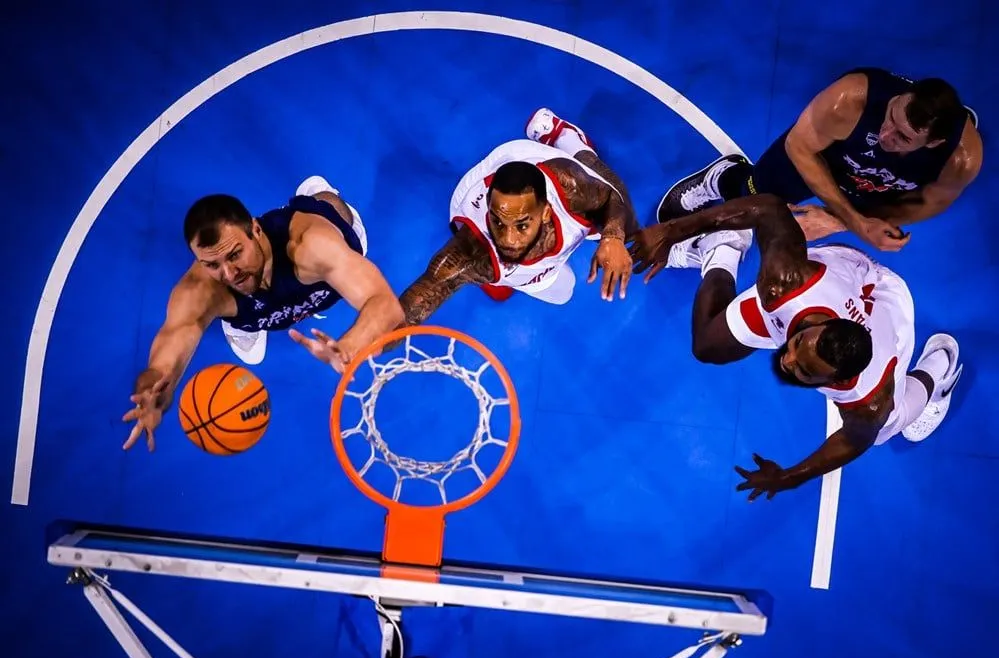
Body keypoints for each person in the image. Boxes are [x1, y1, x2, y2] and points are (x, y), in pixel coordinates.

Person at [628, 193, 964, 500]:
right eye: (798, 344)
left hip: (890, 306)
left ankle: (940, 368)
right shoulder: (785, 282)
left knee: (886, 427)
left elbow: (850, 442)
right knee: (707, 346)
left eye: (804, 372)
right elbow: (767, 208)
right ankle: (724, 246)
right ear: (820, 325)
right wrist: (671, 231)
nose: (787, 359)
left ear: (834, 381)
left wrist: (789, 477)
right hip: (842, 275)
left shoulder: (868, 400)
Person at [122, 177, 404, 451]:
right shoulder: (202, 291)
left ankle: (315, 194)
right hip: (253, 305)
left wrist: (348, 346)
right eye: (211, 264)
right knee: (236, 296)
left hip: (317, 262)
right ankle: (244, 322)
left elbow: (386, 304)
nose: (229, 274)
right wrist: (152, 395)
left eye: (234, 255)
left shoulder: (309, 246)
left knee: (340, 219)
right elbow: (163, 366)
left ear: (256, 230)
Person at [657, 68, 982, 252]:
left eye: (903, 137)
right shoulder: (850, 100)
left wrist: (840, 219)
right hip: (824, 155)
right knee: (753, 198)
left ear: (934, 141)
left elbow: (928, 202)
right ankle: (723, 176)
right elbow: (799, 147)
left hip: (878, 185)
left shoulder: (961, 161)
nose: (885, 135)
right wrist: (856, 223)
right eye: (890, 117)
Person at [397, 108, 639, 325]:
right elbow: (403, 316)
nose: (508, 239)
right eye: (498, 223)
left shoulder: (570, 188)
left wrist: (613, 237)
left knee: (624, 218)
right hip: (472, 193)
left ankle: (565, 139)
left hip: (531, 158)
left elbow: (610, 198)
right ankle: (497, 277)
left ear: (545, 213)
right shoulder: (469, 255)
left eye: (521, 226)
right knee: (563, 292)